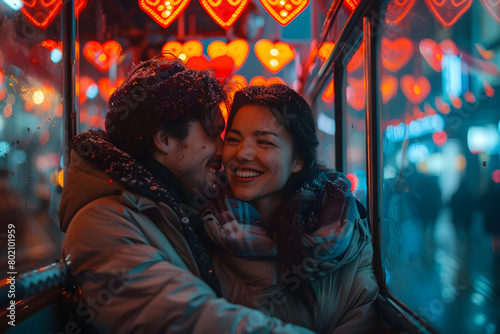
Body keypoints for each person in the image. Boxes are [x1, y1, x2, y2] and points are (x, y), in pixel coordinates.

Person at [59, 56, 316, 333]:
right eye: (212, 134)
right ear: (166, 140)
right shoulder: (101, 224)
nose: (224, 150)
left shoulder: (182, 208)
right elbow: (185, 318)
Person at [203, 84, 379, 334]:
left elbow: (360, 317)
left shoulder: (346, 232)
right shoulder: (203, 224)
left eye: (264, 142)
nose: (242, 153)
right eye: (233, 139)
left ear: (298, 160)